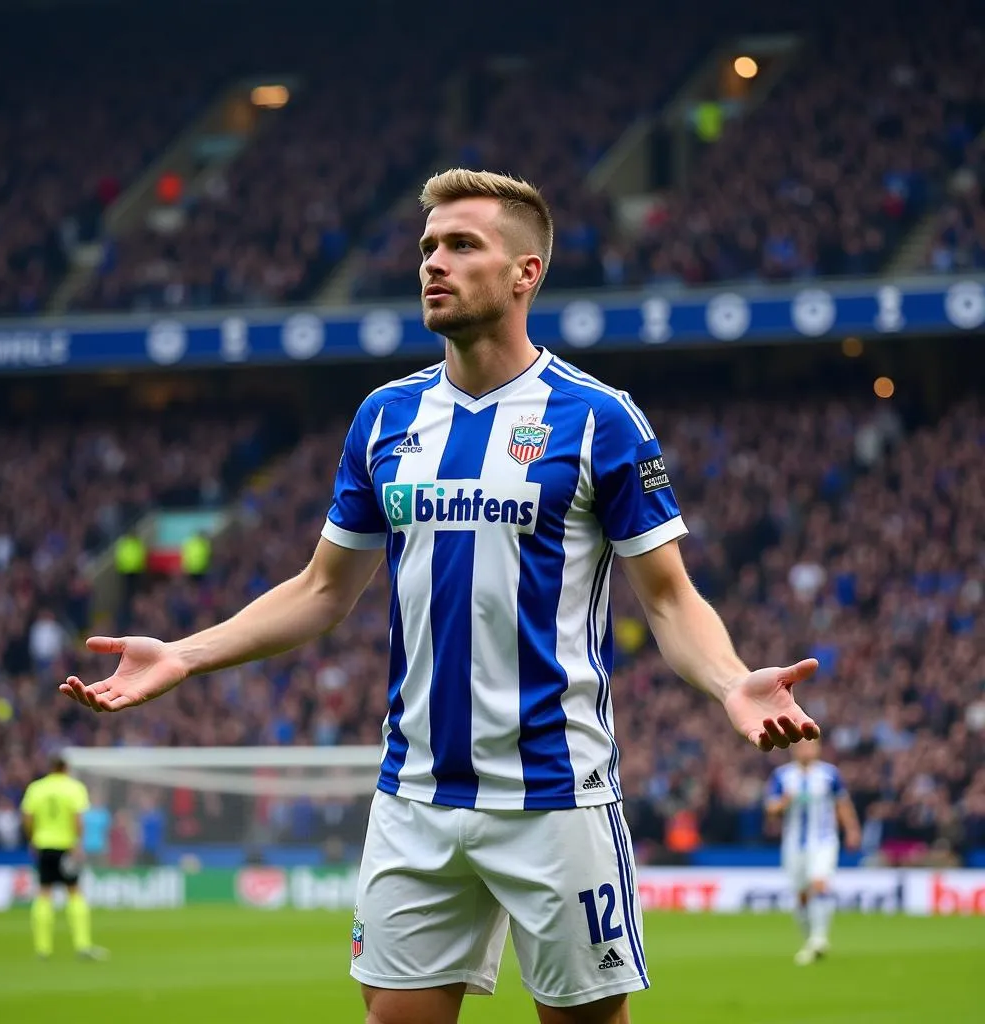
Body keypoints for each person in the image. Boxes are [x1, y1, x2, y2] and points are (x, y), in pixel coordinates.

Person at [61, 168, 821, 1024]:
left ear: (525, 273)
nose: (435, 263)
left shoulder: (598, 418)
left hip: (556, 795)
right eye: (428, 246)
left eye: (463, 245)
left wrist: (729, 683)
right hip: (415, 793)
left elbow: (671, 599)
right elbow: (321, 589)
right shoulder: (385, 418)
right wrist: (186, 653)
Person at [765, 738, 861, 966]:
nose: (806, 750)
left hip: (823, 841)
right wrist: (783, 803)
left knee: (819, 883)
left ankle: (819, 938)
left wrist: (852, 830)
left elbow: (842, 804)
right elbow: (770, 809)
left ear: (818, 748)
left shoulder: (830, 775)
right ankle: (810, 940)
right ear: (794, 750)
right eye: (801, 746)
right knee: (801, 894)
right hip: (793, 844)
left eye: (810, 745)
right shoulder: (782, 776)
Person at [20, 755, 108, 960]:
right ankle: (82, 945)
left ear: (50, 767)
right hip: (66, 846)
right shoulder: (74, 788)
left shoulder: (36, 788)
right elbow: (77, 818)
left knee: (44, 892)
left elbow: (27, 817)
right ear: (66, 768)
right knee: (74, 892)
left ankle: (42, 949)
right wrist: (78, 842)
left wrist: (32, 838)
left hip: (43, 845)